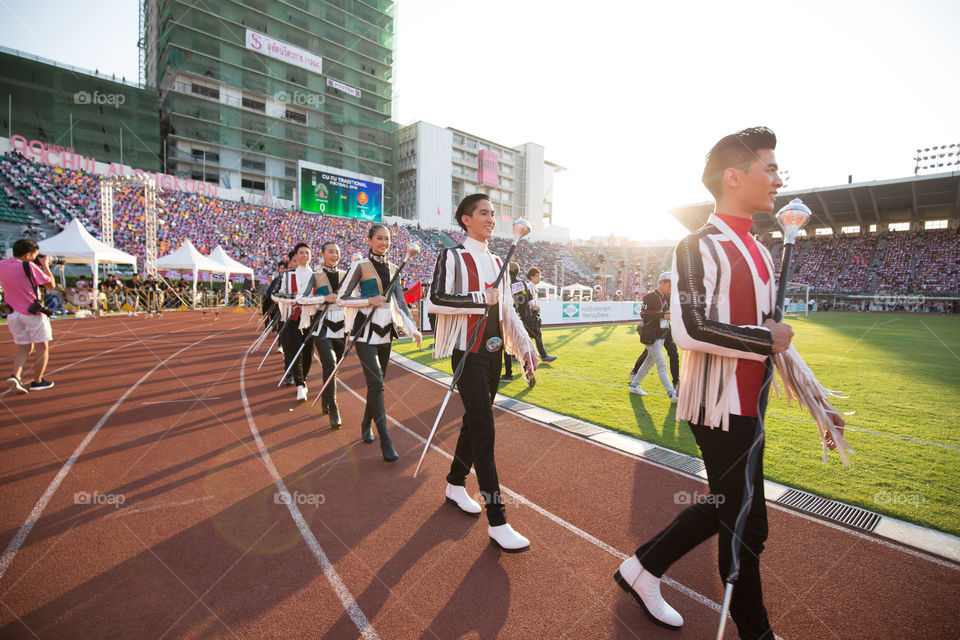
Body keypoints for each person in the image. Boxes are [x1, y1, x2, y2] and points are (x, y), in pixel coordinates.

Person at [615, 127, 835, 639]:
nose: (779, 179)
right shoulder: (696, 246)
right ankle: (754, 631)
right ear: (734, 177)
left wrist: (820, 404)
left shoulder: (759, 248)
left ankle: (642, 568)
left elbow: (776, 338)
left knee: (728, 507)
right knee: (745, 524)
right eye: (771, 169)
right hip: (716, 404)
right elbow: (691, 329)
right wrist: (764, 338)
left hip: (750, 402)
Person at [427, 193, 538, 553]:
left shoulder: (495, 259)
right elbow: (436, 299)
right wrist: (479, 297)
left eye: (493, 214)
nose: (491, 219)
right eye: (483, 214)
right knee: (485, 429)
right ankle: (498, 520)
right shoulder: (452, 255)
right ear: (465, 219)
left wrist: (524, 344)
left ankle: (455, 482)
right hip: (467, 351)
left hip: (493, 353)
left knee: (473, 424)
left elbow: (506, 308)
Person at [338, 224, 421, 461]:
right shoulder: (359, 266)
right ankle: (386, 439)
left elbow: (401, 303)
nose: (384, 243)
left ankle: (366, 423)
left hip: (385, 334)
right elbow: (342, 298)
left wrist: (413, 329)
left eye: (387, 239)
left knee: (377, 384)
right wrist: (367, 300)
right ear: (370, 240)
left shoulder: (395, 268)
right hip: (364, 334)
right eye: (379, 238)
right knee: (377, 385)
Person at [0, 240, 56, 393]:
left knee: (24, 347)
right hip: (31, 312)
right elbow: (51, 285)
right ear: (27, 255)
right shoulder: (28, 266)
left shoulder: (2, 264)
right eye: (34, 256)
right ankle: (38, 381)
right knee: (42, 346)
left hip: (12, 314)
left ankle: (16, 376)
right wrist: (45, 266)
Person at [302, 242, 346, 429]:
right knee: (329, 363)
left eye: (337, 252)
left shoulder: (346, 275)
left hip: (342, 327)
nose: (334, 255)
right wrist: (323, 298)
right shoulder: (315, 275)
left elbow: (354, 296)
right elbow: (302, 298)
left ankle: (325, 399)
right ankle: (334, 407)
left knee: (333, 368)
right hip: (322, 326)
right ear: (322, 254)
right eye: (330, 252)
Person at [629, 272, 678, 402]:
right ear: (661, 283)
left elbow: (667, 314)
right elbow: (644, 314)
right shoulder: (649, 297)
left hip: (662, 335)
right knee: (662, 364)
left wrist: (667, 314)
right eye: (669, 285)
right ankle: (672, 394)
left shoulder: (668, 297)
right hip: (651, 336)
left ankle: (634, 385)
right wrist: (663, 315)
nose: (670, 288)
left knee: (648, 363)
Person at [278, 243, 317, 402]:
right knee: (295, 351)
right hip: (293, 319)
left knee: (308, 352)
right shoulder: (288, 276)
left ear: (311, 255)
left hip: (311, 319)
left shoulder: (317, 275)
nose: (304, 256)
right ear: (296, 255)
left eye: (307, 253)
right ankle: (300, 384)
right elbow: (278, 295)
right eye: (301, 253)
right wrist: (294, 299)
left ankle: (304, 378)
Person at [523, 267, 557, 362]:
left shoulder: (532, 286)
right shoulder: (529, 286)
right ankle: (543, 356)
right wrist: (535, 307)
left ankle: (513, 355)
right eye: (538, 276)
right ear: (532, 277)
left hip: (531, 314)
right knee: (536, 335)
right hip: (530, 315)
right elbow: (528, 302)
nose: (539, 278)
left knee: (527, 336)